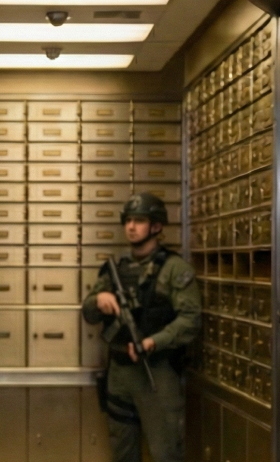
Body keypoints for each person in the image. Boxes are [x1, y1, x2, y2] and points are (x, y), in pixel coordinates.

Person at [82, 192, 201, 462]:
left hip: (156, 373)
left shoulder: (173, 269)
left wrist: (154, 341)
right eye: (128, 221)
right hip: (119, 373)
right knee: (122, 452)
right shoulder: (115, 269)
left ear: (156, 226)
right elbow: (88, 312)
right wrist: (98, 300)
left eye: (139, 221)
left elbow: (190, 319)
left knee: (166, 453)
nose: (131, 227)